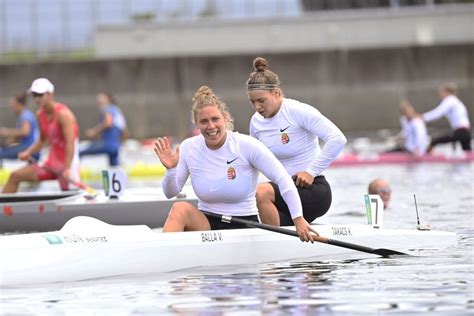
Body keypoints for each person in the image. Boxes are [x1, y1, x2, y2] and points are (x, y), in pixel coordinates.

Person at [154, 86, 319, 242]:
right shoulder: (189, 147)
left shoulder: (246, 145)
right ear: (196, 124)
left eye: (215, 119)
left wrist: (298, 219)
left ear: (225, 119)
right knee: (179, 208)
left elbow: (283, 179)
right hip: (206, 223)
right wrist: (170, 170)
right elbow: (170, 192)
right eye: (204, 121)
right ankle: (160, 256)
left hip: (244, 225)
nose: (211, 126)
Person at [246, 57, 347, 227]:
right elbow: (252, 162)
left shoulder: (297, 111)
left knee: (261, 193)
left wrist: (311, 172)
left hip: (311, 189)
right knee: (249, 200)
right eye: (252, 102)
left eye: (261, 100)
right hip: (283, 194)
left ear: (276, 93)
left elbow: (337, 139)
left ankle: (274, 241)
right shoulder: (255, 122)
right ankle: (284, 233)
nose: (257, 107)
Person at [2, 78, 80, 193]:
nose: (37, 99)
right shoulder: (40, 114)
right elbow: (42, 140)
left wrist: (67, 168)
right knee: (15, 176)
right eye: (34, 95)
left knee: (68, 194)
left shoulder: (64, 115)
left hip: (68, 163)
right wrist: (28, 152)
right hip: (51, 164)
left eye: (40, 95)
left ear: (49, 94)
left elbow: (70, 142)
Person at [80, 92, 128, 166]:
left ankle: (73, 172)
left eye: (101, 98)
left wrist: (93, 131)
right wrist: (121, 143)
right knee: (114, 169)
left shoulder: (107, 109)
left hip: (107, 144)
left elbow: (108, 123)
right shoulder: (117, 111)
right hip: (115, 146)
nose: (98, 100)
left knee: (79, 152)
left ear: (108, 100)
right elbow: (125, 132)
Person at [422, 83, 471, 152]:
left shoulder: (449, 100)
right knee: (467, 153)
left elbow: (438, 113)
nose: (440, 95)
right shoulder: (457, 102)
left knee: (434, 141)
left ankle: (425, 157)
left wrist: (422, 117)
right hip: (466, 132)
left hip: (460, 132)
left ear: (446, 92)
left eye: (441, 92)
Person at [0, 93, 39, 161]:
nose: (12, 107)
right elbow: (19, 136)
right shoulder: (24, 115)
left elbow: (25, 131)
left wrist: (6, 132)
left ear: (19, 104)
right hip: (26, 146)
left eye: (13, 105)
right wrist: (8, 144)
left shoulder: (25, 115)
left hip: (29, 147)